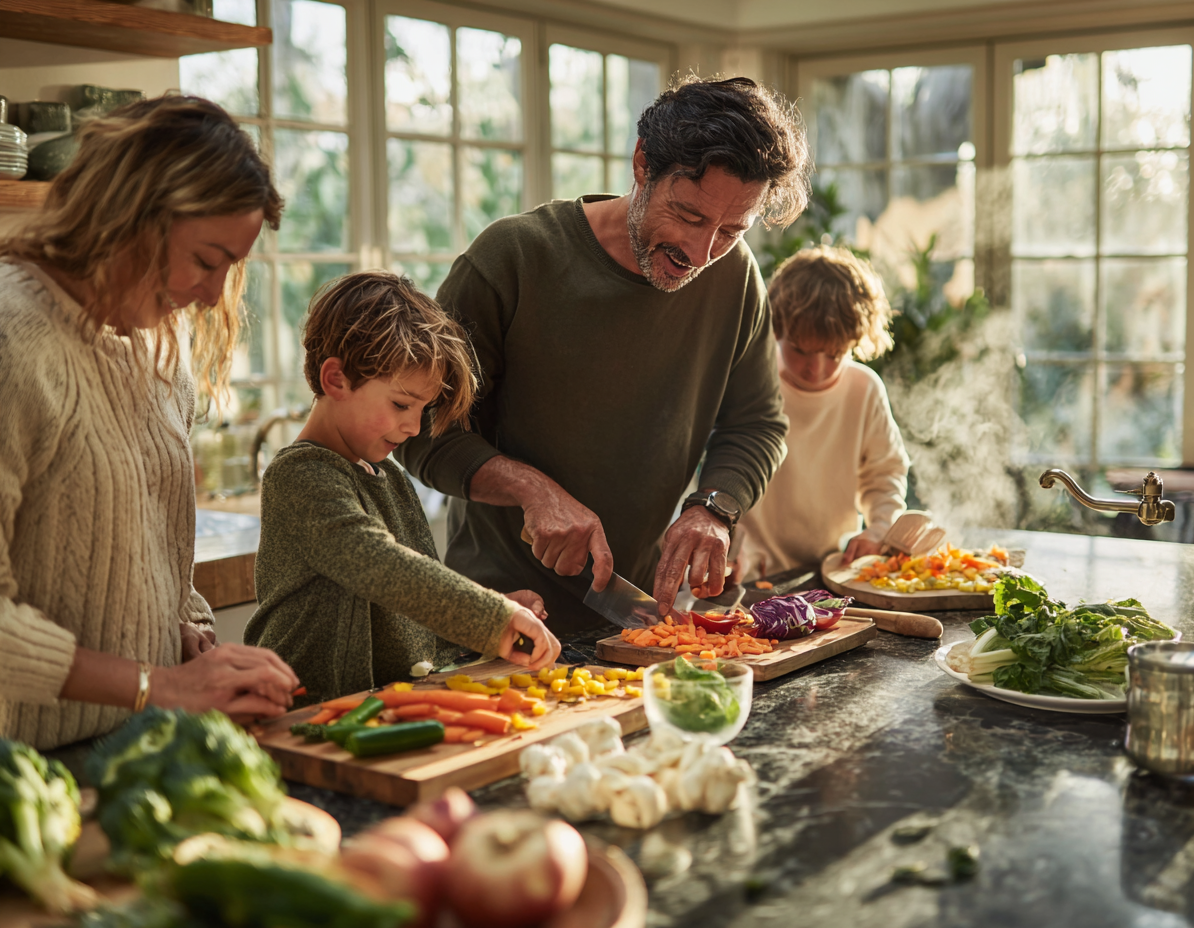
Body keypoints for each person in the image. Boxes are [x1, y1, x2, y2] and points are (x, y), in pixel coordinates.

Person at [397, 75, 813, 630]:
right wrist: (530, 489)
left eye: (731, 230)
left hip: (630, 616)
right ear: (643, 163)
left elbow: (757, 424)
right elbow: (424, 428)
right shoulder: (513, 259)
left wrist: (712, 508)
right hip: (498, 610)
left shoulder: (735, 280)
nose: (700, 251)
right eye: (689, 216)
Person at [0, 96, 300, 751]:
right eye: (207, 259)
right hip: (20, 771)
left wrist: (184, 632)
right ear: (130, 215)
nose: (215, 296)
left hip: (132, 749)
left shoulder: (158, 345)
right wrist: (156, 685)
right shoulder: (11, 339)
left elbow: (157, 549)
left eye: (232, 268)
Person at [244, 272, 561, 700]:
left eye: (422, 409)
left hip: (377, 711)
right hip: (301, 713)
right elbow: (374, 563)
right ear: (335, 379)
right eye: (400, 404)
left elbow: (410, 605)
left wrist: (491, 612)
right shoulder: (300, 475)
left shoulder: (390, 476)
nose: (413, 427)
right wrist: (490, 615)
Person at [738, 245, 910, 579]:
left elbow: (885, 473)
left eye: (834, 354)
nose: (816, 369)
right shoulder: (751, 376)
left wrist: (878, 529)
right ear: (777, 328)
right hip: (751, 572)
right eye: (800, 350)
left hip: (833, 570)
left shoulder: (864, 388)